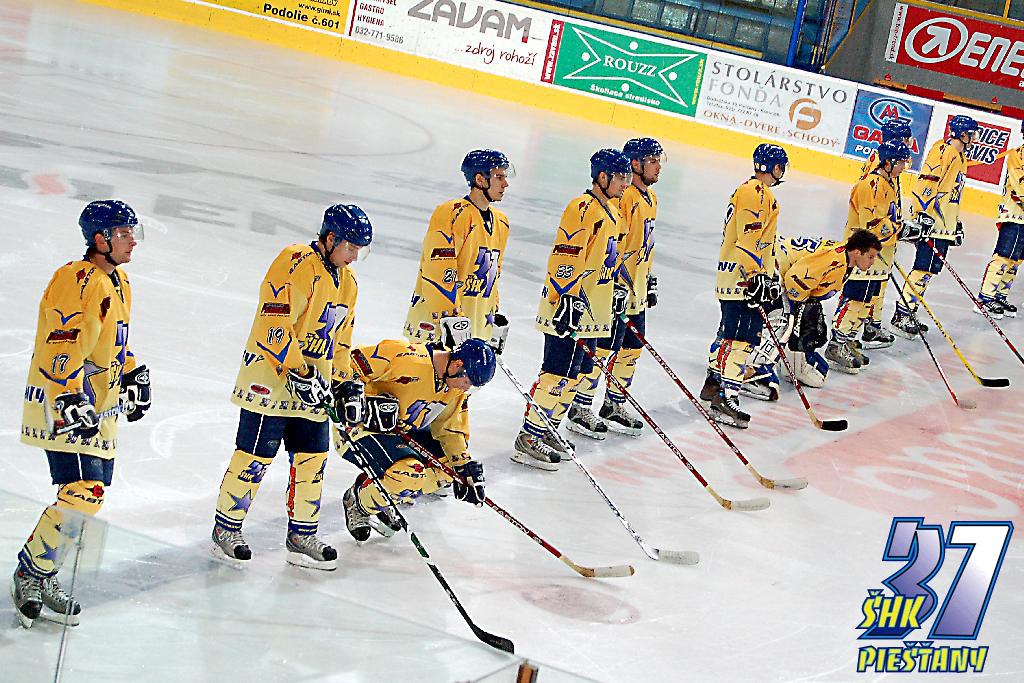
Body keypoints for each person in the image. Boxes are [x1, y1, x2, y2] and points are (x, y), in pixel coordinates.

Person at [11, 200, 149, 628]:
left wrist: (132, 371)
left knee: (90, 496)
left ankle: (42, 569)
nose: (132, 242)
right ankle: (32, 573)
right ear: (99, 238)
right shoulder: (76, 278)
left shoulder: (119, 281)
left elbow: (115, 341)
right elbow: (61, 342)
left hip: (98, 406)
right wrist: (69, 396)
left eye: (133, 233)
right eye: (123, 234)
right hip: (65, 404)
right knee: (82, 491)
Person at [211, 204, 372, 571]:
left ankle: (302, 535)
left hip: (313, 388)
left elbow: (341, 340)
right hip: (269, 383)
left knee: (312, 460)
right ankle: (226, 529)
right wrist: (300, 372)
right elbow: (273, 325)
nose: (353, 257)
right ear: (330, 238)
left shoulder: (347, 283)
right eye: (350, 247)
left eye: (359, 250)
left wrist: (344, 381)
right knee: (254, 458)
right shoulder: (296, 262)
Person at [511, 149, 631, 469]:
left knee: (576, 375)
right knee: (556, 374)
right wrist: (566, 297)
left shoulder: (612, 211)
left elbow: (607, 259)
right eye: (621, 177)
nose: (625, 183)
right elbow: (565, 256)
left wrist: (616, 289)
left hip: (593, 310)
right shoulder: (582, 208)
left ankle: (549, 428)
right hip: (569, 307)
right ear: (602, 176)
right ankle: (529, 436)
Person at [337, 338, 496, 541]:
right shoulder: (405, 357)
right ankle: (359, 502)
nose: (466, 389)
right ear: (457, 365)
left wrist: (464, 469)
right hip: (358, 429)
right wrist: (356, 399)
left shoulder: (454, 388)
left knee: (449, 471)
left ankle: (382, 492)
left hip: (400, 433)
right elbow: (349, 364)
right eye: (467, 382)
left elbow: (450, 430)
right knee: (409, 476)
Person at [568, 137, 665, 438]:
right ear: (635, 163)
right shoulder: (624, 198)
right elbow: (614, 247)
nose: (658, 166)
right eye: (652, 160)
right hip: (615, 290)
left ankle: (613, 404)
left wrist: (646, 279)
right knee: (603, 349)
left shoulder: (651, 198)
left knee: (632, 348)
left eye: (659, 160)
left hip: (635, 290)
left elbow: (642, 246)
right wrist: (615, 286)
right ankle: (581, 406)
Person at [700, 144, 788, 429]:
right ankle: (727, 396)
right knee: (741, 341)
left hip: (740, 278)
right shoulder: (756, 193)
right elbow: (748, 239)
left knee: (730, 336)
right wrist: (756, 275)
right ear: (774, 167)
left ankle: (714, 385)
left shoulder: (754, 191)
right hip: (743, 280)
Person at [404, 150, 513, 348]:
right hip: (439, 330)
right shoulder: (453, 213)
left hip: (473, 330)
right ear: (480, 179)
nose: (505, 183)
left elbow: (493, 274)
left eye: (505, 177)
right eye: (499, 177)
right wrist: (451, 318)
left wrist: (492, 314)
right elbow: (438, 270)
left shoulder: (501, 222)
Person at [891, 115, 979, 337]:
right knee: (923, 268)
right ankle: (902, 314)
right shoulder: (943, 150)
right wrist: (922, 215)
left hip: (942, 225)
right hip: (932, 223)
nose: (975, 138)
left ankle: (910, 310)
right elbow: (926, 183)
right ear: (963, 134)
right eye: (973, 134)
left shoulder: (960, 156)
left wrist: (953, 224)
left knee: (929, 271)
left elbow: (951, 193)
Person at [828, 139, 912, 370]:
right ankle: (837, 344)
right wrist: (901, 230)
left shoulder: (888, 183)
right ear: (888, 162)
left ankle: (849, 340)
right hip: (861, 255)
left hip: (876, 257)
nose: (903, 167)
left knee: (866, 302)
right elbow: (872, 225)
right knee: (855, 300)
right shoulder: (870, 185)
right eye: (900, 162)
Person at [779, 231, 884, 378]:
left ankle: (793, 359)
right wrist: (799, 308)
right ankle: (763, 364)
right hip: (776, 266)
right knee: (785, 322)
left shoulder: (844, 258)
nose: (873, 262)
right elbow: (794, 280)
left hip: (785, 267)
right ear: (857, 252)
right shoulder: (834, 261)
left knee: (802, 320)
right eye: (870, 257)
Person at [977, 120, 1024, 319]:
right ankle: (986, 297)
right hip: (1014, 214)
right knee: (1003, 255)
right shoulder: (1018, 155)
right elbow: (1020, 186)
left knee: (1016, 259)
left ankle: (1000, 295)